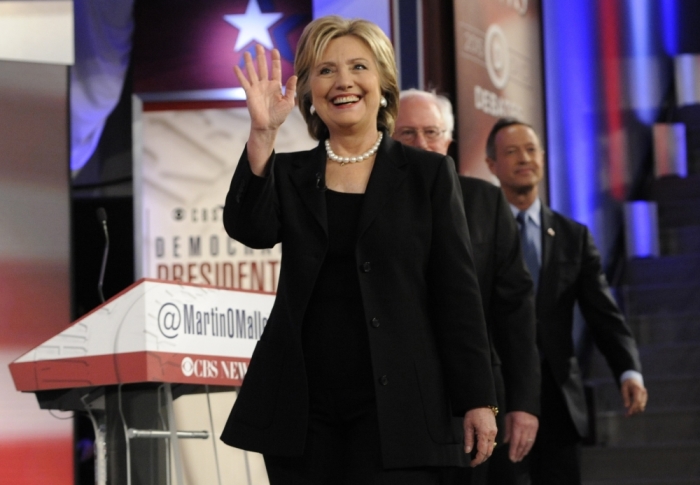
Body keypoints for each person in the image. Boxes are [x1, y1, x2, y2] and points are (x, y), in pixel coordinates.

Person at [219, 16, 498, 484]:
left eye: (358, 67)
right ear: (308, 90)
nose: (343, 82)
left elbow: (457, 293)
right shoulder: (289, 174)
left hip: (401, 408)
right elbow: (249, 228)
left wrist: (477, 397)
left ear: (383, 84)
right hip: (303, 411)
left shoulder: (428, 174)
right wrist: (262, 134)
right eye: (325, 70)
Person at [485, 117, 649, 485]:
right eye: (511, 152)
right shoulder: (479, 233)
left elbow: (603, 312)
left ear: (542, 158)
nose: (524, 158)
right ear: (492, 165)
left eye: (531, 150)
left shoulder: (574, 236)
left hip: (560, 402)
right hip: (501, 397)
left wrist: (628, 369)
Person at [394, 90, 540, 485]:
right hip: (394, 397)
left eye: (431, 132)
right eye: (407, 134)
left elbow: (515, 310)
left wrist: (524, 403)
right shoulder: (369, 203)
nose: (422, 144)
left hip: (473, 398)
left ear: (448, 140)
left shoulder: (485, 202)